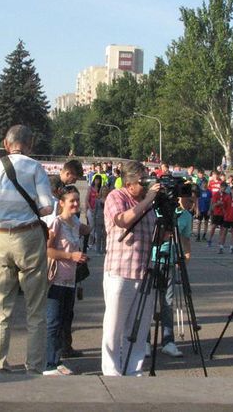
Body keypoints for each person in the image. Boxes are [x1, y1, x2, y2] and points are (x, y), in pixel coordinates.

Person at [0, 125, 55, 375]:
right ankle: (34, 365)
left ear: (6, 145)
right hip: (27, 237)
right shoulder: (35, 168)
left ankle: (0, 363)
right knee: (35, 307)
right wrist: (27, 212)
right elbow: (48, 208)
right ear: (29, 145)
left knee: (2, 305)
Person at [100, 160, 162, 376]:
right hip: (120, 272)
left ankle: (133, 370)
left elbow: (156, 234)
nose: (145, 185)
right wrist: (147, 200)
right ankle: (112, 372)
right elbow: (123, 220)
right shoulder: (116, 197)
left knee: (139, 327)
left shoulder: (149, 203)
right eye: (142, 181)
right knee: (114, 327)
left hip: (144, 272)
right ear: (129, 183)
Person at [45, 185, 90, 375]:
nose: (75, 204)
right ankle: (49, 363)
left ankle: (57, 359)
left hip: (70, 280)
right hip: (55, 279)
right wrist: (70, 256)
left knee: (64, 320)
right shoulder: (57, 223)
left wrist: (86, 208)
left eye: (77, 200)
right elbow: (46, 250)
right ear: (61, 203)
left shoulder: (75, 223)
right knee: (53, 321)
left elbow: (89, 229)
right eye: (72, 201)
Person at [145, 194, 193, 359]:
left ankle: (168, 341)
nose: (187, 201)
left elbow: (186, 238)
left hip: (171, 261)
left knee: (168, 302)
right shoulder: (155, 210)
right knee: (148, 302)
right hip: (151, 259)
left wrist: (186, 254)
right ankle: (145, 341)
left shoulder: (186, 216)